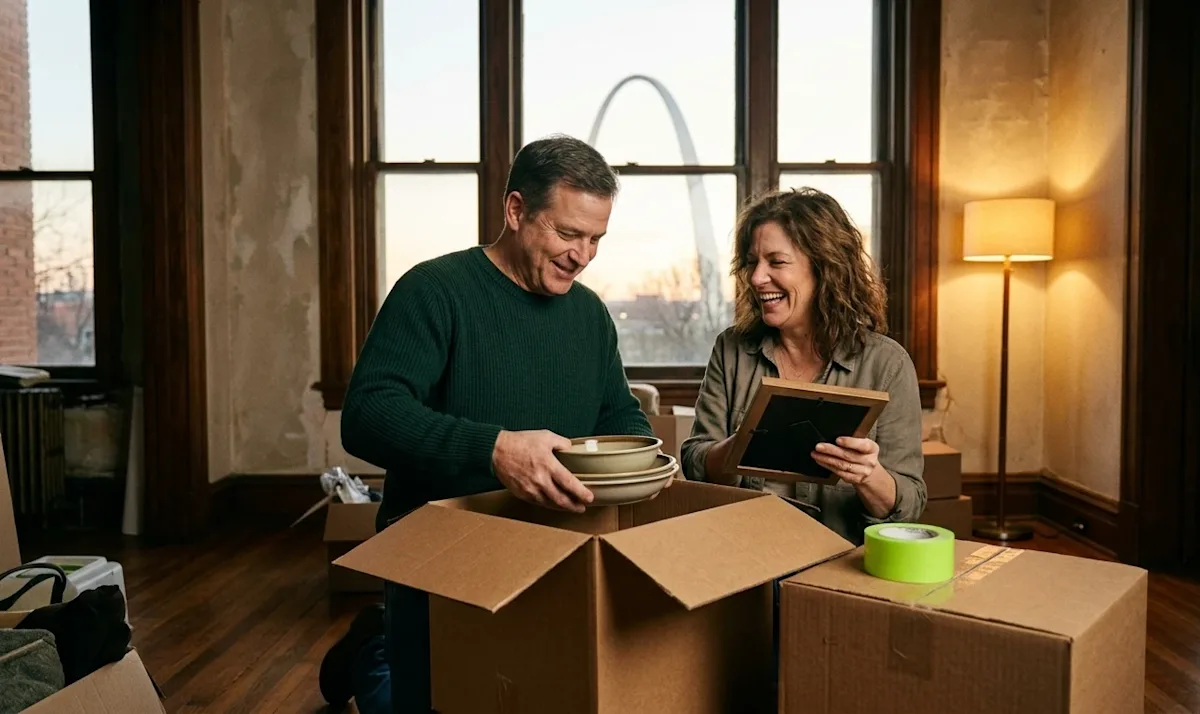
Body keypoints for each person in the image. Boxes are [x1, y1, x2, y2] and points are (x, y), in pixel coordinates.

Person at [319, 134, 654, 713]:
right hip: (439, 559)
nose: (583, 255)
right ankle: (371, 649)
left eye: (596, 239)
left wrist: (644, 460)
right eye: (568, 234)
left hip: (556, 556)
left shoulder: (590, 314)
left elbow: (616, 414)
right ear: (516, 210)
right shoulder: (435, 291)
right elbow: (368, 416)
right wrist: (494, 450)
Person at [680, 187, 926, 543]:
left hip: (840, 565)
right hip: (740, 556)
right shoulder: (731, 349)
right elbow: (694, 461)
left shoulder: (887, 365)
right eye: (752, 262)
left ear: (824, 268)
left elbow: (910, 505)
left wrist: (868, 475)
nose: (755, 278)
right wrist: (740, 447)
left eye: (776, 262)